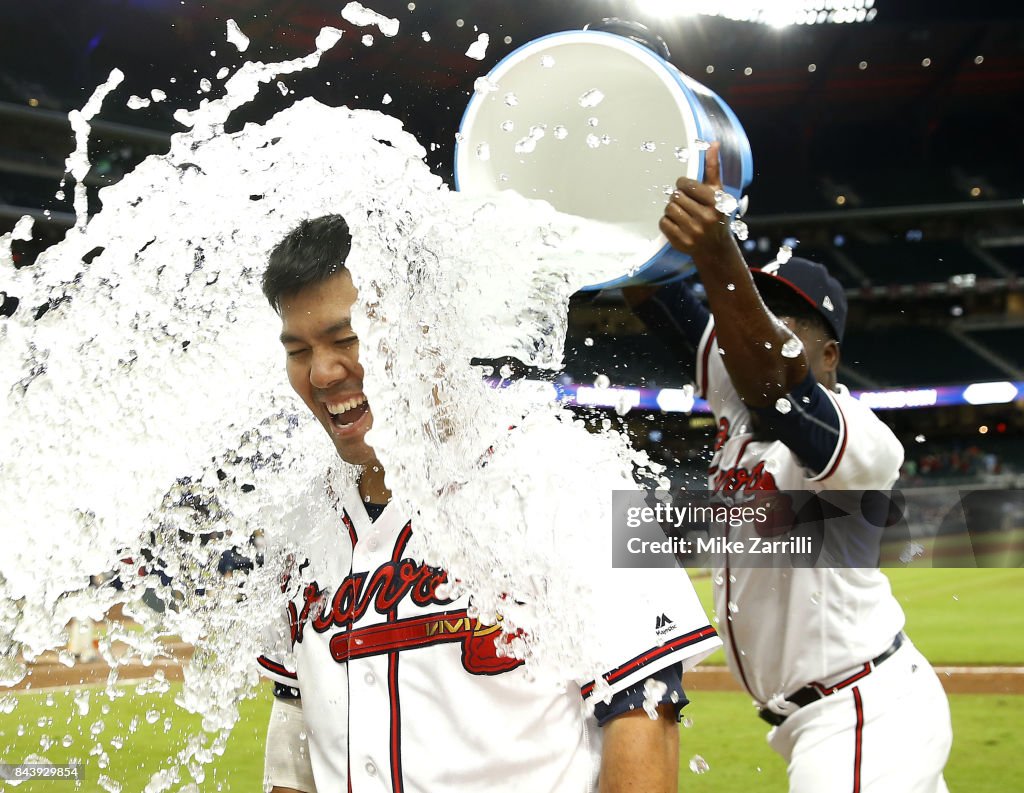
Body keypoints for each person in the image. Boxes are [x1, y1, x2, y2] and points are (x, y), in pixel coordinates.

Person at [255, 215, 721, 793]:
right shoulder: (299, 516)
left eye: (347, 339)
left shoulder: (573, 472)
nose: (322, 371)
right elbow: (296, 723)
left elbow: (644, 711)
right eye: (298, 350)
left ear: (426, 326)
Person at [626, 143, 952, 792]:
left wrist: (719, 256)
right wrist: (633, 199)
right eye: (757, 309)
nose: (760, 327)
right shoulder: (734, 388)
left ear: (828, 354)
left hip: (863, 714)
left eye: (786, 319)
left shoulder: (863, 439)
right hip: (826, 716)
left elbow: (778, 379)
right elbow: (645, 286)